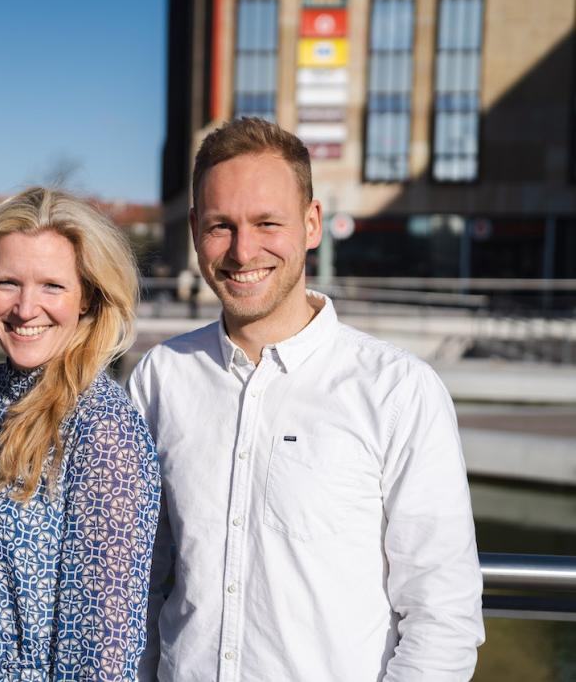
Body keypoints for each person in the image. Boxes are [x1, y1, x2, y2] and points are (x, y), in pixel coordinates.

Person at [130, 118, 485, 681]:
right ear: (196, 229)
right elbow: (137, 582)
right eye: (222, 226)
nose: (243, 251)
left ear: (311, 224)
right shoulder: (161, 378)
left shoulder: (396, 391)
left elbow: (443, 613)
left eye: (268, 223)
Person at [0, 187, 161, 680]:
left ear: (87, 297)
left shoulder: (102, 424)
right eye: (8, 282)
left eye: (52, 286)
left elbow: (103, 650)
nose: (25, 308)